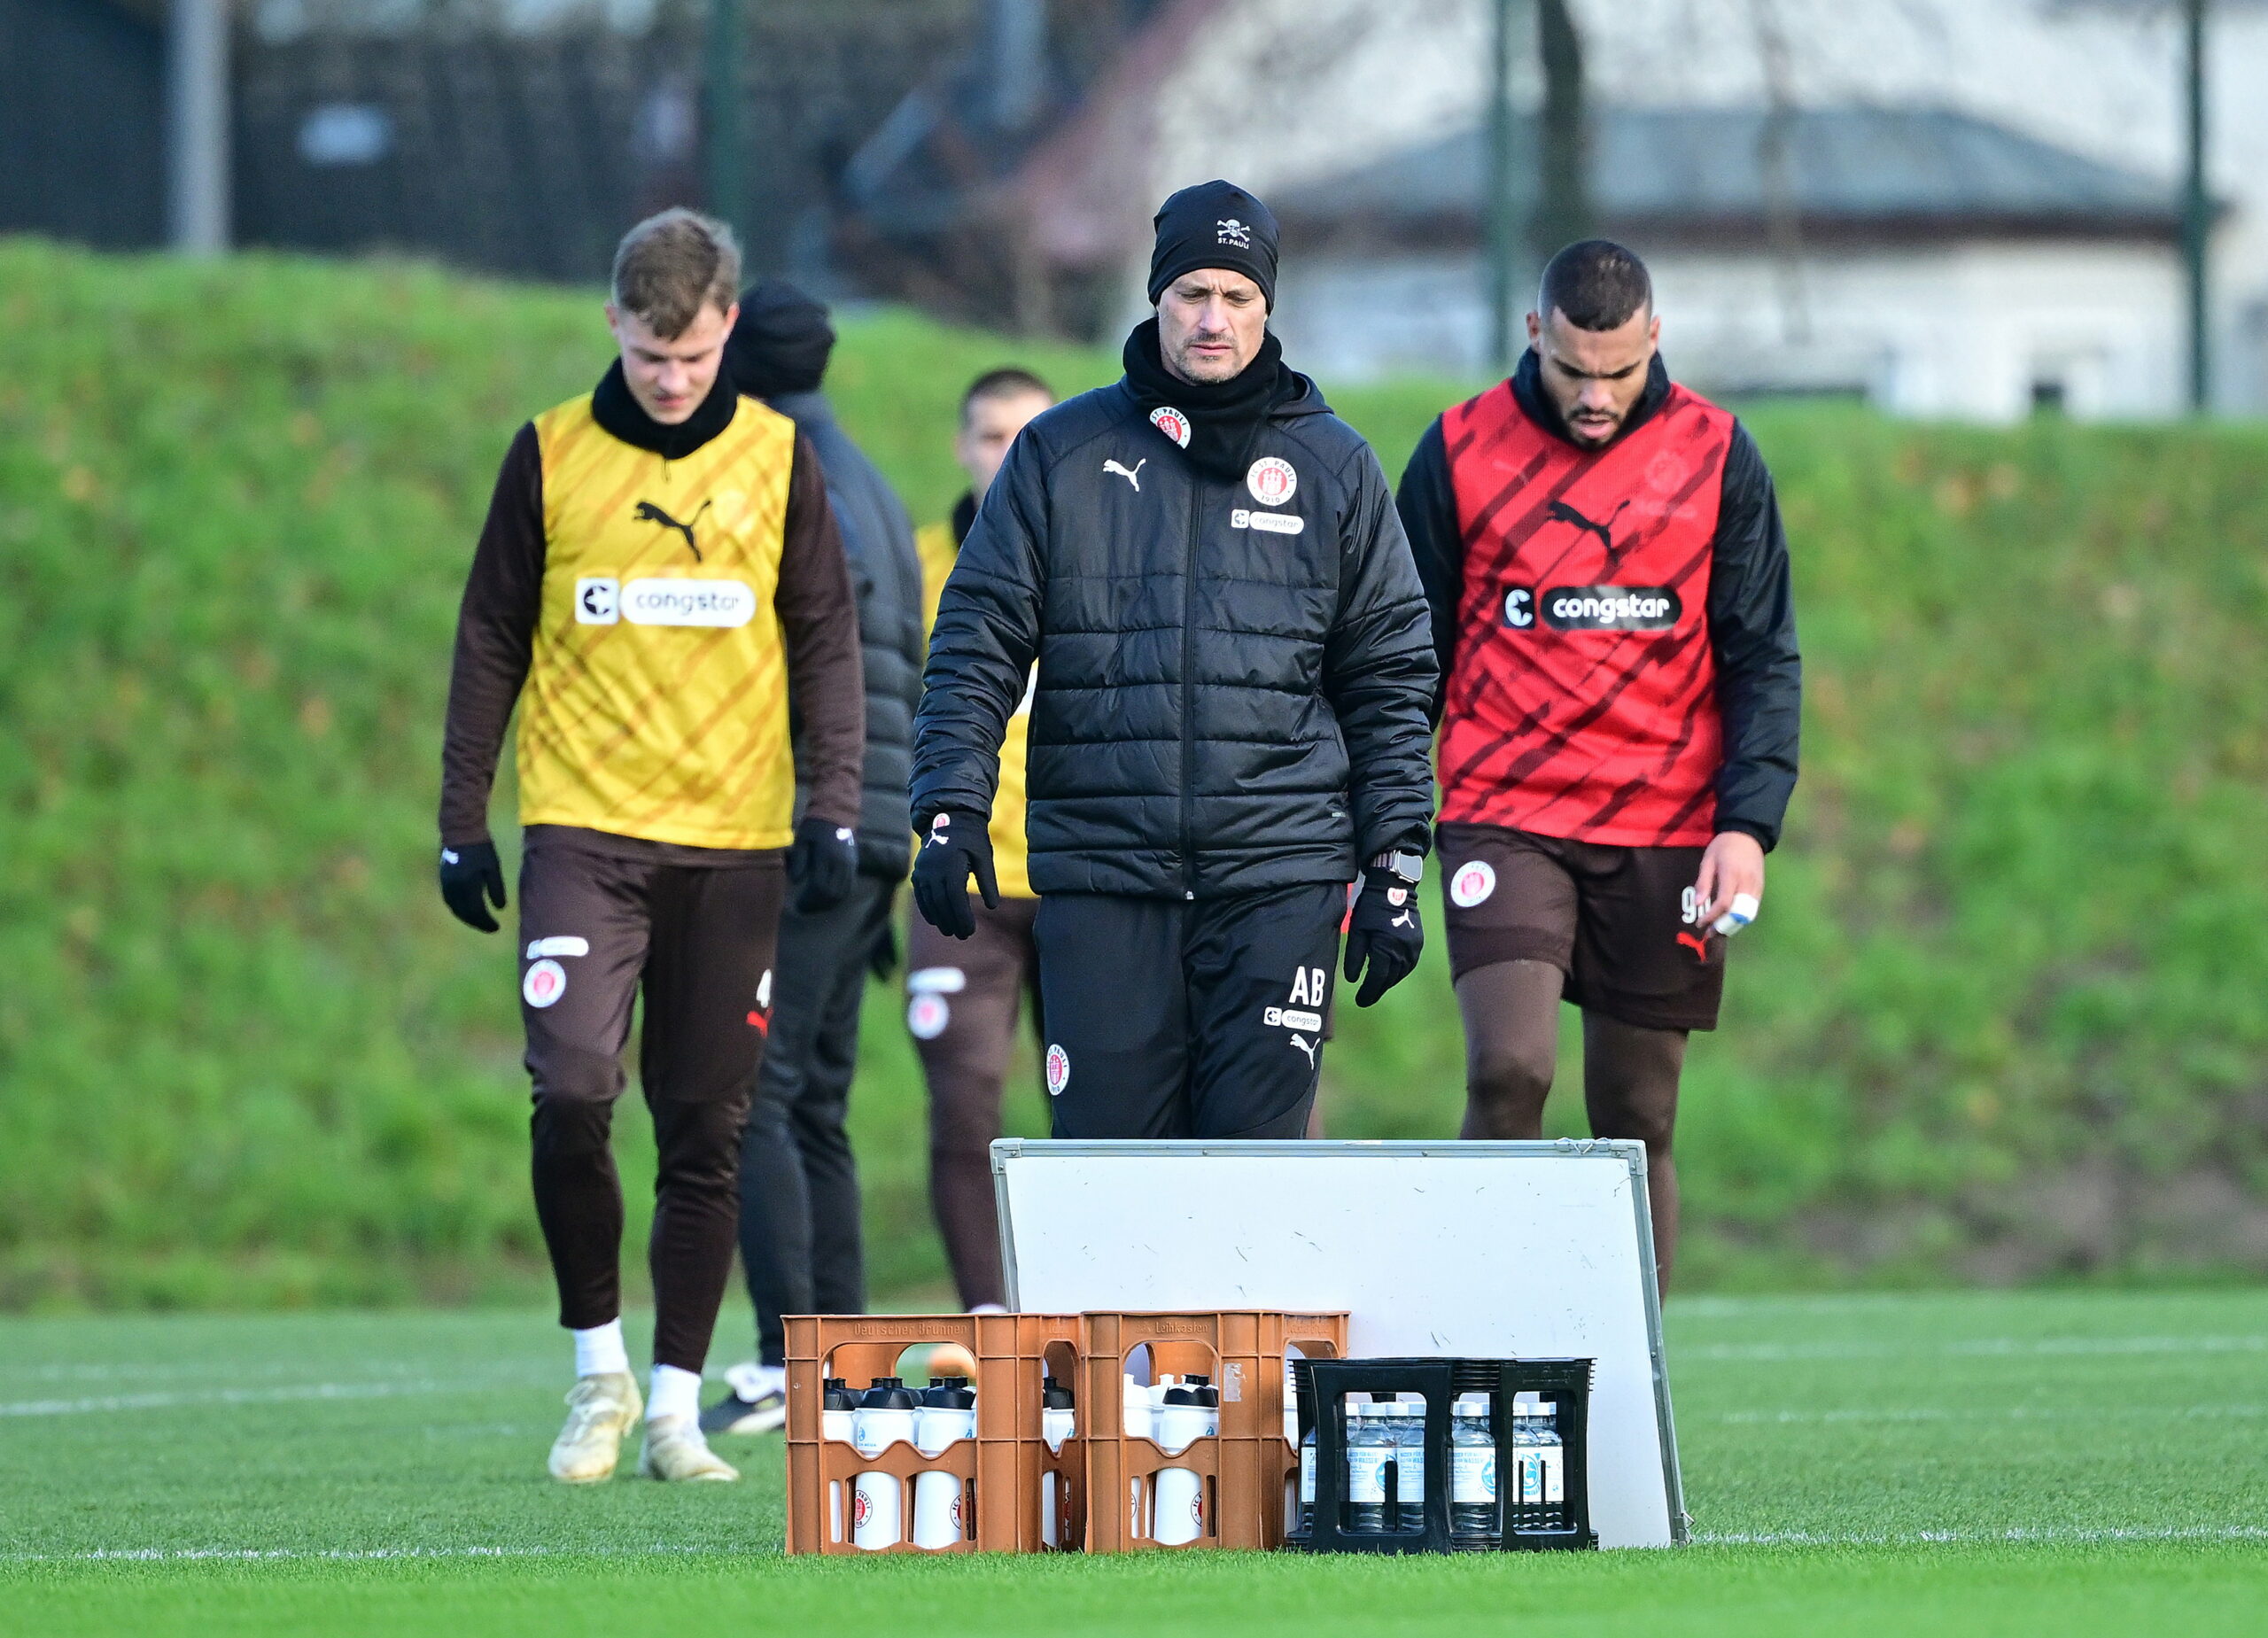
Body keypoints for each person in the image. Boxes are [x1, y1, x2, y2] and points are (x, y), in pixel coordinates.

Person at [437, 210, 864, 1483]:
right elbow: (487, 640)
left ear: (725, 325)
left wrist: (832, 801)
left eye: (690, 357)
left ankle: (676, 1406)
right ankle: (597, 1374)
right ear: (613, 325)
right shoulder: (552, 456)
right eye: (647, 356)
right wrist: (462, 818)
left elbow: (828, 640)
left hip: (733, 841)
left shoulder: (780, 459)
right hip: (586, 830)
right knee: (571, 1089)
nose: (671, 382)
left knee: (707, 1126)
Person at [911, 181, 1436, 1141]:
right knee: (1111, 1184)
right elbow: (975, 641)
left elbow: (1390, 676)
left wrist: (1395, 861)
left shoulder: (1334, 468)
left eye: (1236, 297)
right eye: (1191, 292)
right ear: (1155, 297)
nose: (1211, 318)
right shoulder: (1057, 455)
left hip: (1279, 879)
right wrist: (950, 807)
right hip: (1107, 879)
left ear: (1267, 307)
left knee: (1254, 1182)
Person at [1394, 240, 1800, 1290]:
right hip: (1503, 811)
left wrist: (1745, 829)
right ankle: (1482, 1354)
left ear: (1654, 339)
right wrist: (1383, 820)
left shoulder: (1718, 453)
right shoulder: (1455, 451)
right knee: (1509, 1069)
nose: (1595, 394)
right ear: (1535, 335)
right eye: (1574, 368)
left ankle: (1625, 1389)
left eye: (1618, 372)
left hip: (1666, 826)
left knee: (1636, 1114)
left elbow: (1762, 655)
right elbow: (1401, 658)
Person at [701, 283, 927, 1438]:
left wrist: (815, 818)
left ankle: (794, 1364)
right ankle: (842, 1363)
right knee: (818, 1102)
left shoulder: (786, 478)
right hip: (873, 829)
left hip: (810, 828)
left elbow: (803, 665)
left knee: (756, 1095)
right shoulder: (873, 481)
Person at [907, 367, 1055, 1313]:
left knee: (1098, 1123)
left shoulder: (1099, 554)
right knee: (963, 1111)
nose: (1005, 454)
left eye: (1025, 436)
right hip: (962, 889)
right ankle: (985, 1328)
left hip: (1084, 877)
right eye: (989, 435)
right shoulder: (914, 563)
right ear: (963, 447)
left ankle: (1102, 1330)